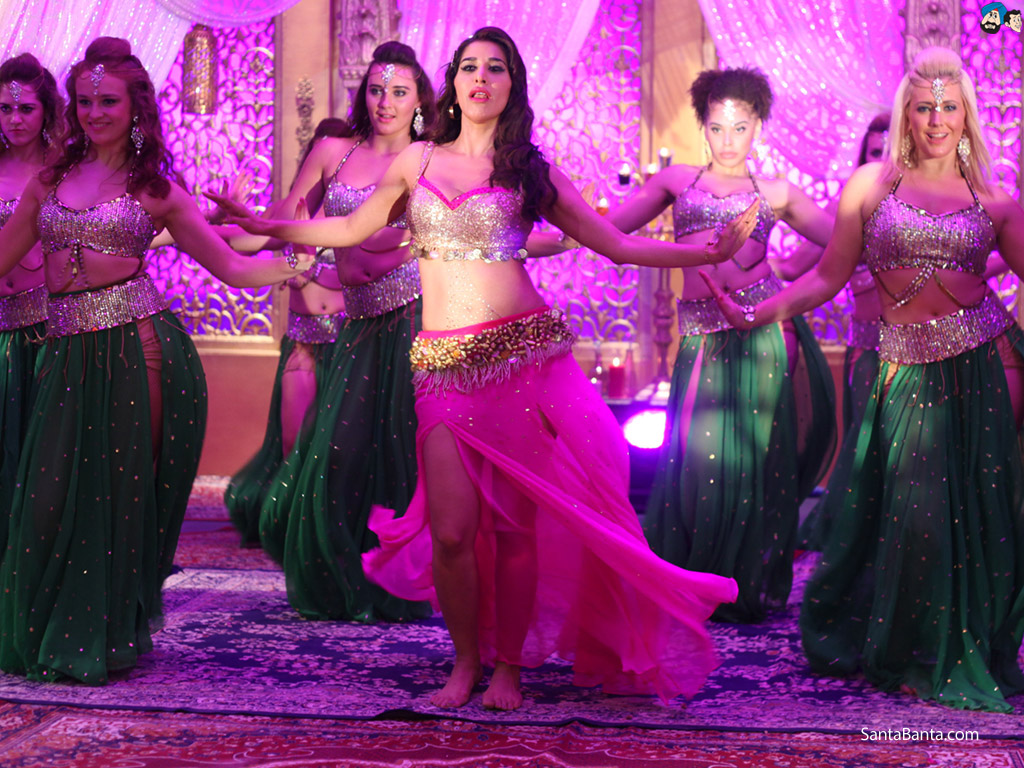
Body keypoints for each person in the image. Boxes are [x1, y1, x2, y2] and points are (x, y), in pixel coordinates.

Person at [214, 27, 755, 712]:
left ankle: (509, 668)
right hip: (442, 368)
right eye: (468, 67)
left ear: (511, 85)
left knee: (513, 532)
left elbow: (616, 244)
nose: (479, 78)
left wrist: (706, 255)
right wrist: (270, 226)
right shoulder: (416, 160)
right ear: (453, 83)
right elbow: (348, 231)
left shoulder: (528, 170)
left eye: (494, 68)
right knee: (451, 532)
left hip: (522, 361)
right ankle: (465, 660)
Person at [702, 47, 1024, 712]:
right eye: (925, 106)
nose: (937, 119)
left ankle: (957, 646)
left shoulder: (995, 198)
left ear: (966, 115)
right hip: (899, 369)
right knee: (917, 517)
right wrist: (757, 313)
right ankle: (909, 645)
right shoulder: (870, 187)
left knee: (979, 513)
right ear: (907, 112)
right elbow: (826, 276)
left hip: (979, 366)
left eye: (949, 106)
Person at [0, 37, 313, 684]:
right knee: (47, 498)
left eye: (107, 101)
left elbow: (230, 267)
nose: (94, 112)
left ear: (135, 105)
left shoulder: (157, 191)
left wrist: (292, 265)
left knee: (116, 495)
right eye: (84, 101)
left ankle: (105, 632)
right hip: (63, 351)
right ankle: (44, 627)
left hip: (135, 346)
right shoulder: (48, 181)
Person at [604, 67, 837, 622]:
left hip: (762, 333)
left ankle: (745, 584)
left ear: (758, 127)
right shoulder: (676, 182)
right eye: (717, 127)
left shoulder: (776, 192)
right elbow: (607, 230)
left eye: (740, 127)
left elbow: (842, 245)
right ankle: (692, 579)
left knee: (755, 461)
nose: (728, 140)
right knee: (693, 457)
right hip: (701, 333)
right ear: (702, 126)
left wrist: (791, 279)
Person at [254, 42, 436, 622]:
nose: (385, 102)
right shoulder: (335, 151)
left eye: (399, 92)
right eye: (377, 90)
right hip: (357, 323)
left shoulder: (429, 159)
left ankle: (399, 584)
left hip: (413, 317)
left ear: (419, 101)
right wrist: (238, 228)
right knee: (338, 451)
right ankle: (340, 579)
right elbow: (286, 218)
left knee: (402, 451)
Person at [223, 118, 349, 548]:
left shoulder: (358, 211)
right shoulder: (288, 209)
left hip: (349, 343)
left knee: (340, 446)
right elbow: (243, 242)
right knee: (296, 440)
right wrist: (212, 222)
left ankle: (333, 529)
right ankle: (296, 532)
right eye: (321, 153)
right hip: (304, 343)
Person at [0, 54, 61, 557]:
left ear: (47, 111)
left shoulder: (64, 172)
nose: (14, 119)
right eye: (4, 109)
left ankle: (34, 560)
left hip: (44, 331)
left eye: (25, 109)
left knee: (38, 455)